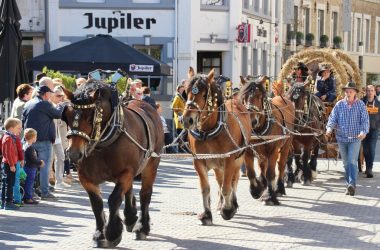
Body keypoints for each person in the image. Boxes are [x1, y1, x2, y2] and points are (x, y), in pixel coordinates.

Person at [22, 78, 67, 200]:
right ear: (46, 94)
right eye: (50, 93)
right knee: (44, 166)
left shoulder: (28, 103)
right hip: (43, 140)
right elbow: (58, 114)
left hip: (29, 141)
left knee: (31, 167)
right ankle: (45, 192)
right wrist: (61, 105)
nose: (51, 95)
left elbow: (23, 121)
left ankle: (32, 190)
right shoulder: (45, 104)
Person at [326, 82, 369, 196]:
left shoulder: (360, 105)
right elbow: (332, 118)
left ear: (355, 92)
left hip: (355, 139)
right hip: (341, 138)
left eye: (351, 91)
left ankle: (352, 184)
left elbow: (365, 121)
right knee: (345, 163)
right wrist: (329, 129)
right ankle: (348, 185)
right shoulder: (339, 104)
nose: (348, 93)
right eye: (347, 91)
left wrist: (363, 132)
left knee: (351, 160)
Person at [50, 86, 71, 189]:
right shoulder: (50, 105)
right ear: (52, 95)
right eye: (58, 95)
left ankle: (59, 180)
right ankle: (50, 182)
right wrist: (60, 107)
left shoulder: (59, 105)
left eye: (62, 96)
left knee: (61, 157)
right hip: (51, 136)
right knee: (50, 160)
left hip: (58, 136)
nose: (61, 98)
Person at [1, 118, 22, 210]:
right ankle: (8, 203)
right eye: (18, 128)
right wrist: (12, 165)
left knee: (7, 183)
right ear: (12, 128)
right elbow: (7, 153)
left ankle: (3, 202)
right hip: (9, 164)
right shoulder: (8, 138)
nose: (19, 130)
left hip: (8, 164)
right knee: (9, 184)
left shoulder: (8, 137)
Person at [361, 85, 380, 178]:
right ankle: (367, 166)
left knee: (371, 149)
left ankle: (369, 169)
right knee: (365, 150)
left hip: (374, 130)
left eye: (372, 90)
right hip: (363, 130)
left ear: (374, 92)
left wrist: (377, 126)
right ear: (366, 92)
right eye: (368, 90)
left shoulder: (378, 103)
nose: (370, 92)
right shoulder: (361, 102)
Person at [23, 128, 44, 205]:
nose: (36, 138)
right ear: (32, 137)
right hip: (30, 168)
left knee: (30, 182)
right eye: (35, 136)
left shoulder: (27, 146)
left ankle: (29, 196)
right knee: (29, 183)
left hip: (29, 167)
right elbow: (32, 159)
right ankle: (28, 198)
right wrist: (40, 162)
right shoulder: (29, 148)